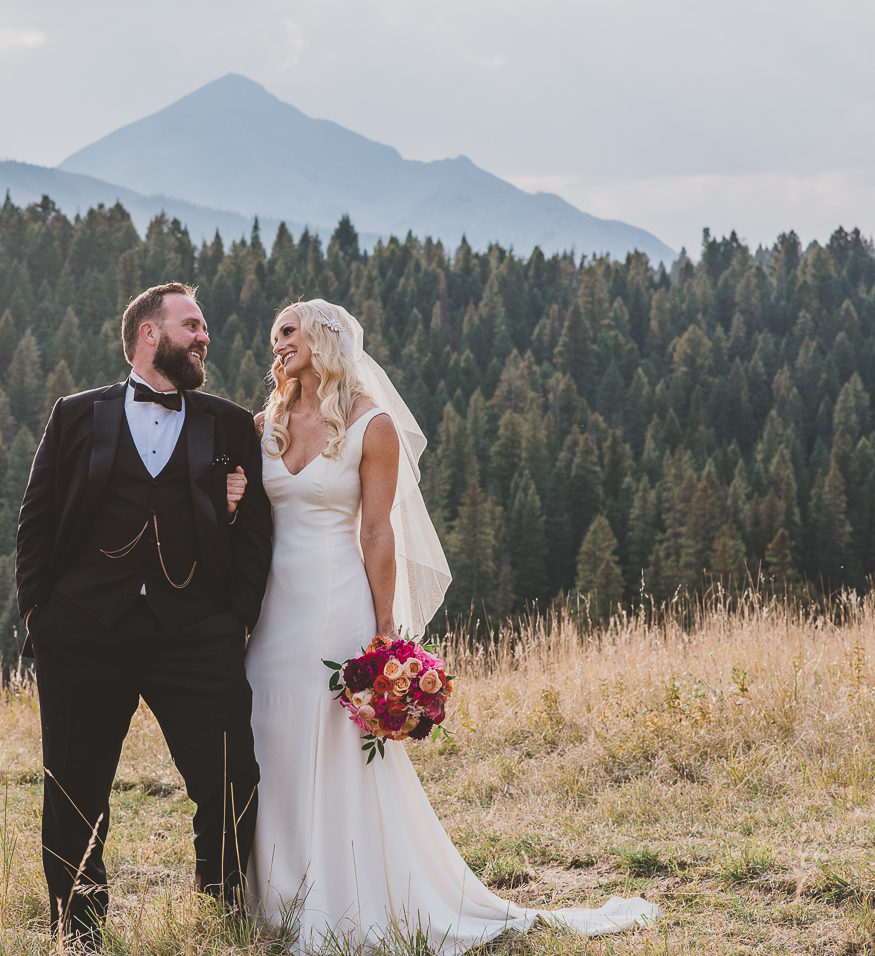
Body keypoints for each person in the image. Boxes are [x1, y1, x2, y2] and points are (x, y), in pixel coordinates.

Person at [225, 299, 659, 953]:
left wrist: (384, 635)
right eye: (275, 335)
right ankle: (282, 897)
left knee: (338, 740)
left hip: (336, 602)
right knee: (272, 732)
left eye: (287, 332)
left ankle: (347, 897)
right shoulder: (265, 424)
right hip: (272, 607)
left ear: (321, 338)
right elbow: (243, 519)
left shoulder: (372, 426)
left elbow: (376, 532)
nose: (275, 343)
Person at [15, 282, 273, 949]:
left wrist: (235, 619)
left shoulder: (229, 421)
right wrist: (39, 617)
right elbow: (36, 520)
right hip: (82, 633)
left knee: (230, 776)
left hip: (193, 636)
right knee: (75, 786)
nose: (204, 337)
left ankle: (222, 911)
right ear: (149, 334)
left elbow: (255, 536)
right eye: (192, 325)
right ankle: (79, 927)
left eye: (204, 327)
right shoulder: (76, 415)